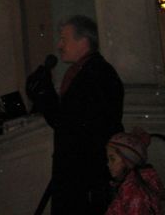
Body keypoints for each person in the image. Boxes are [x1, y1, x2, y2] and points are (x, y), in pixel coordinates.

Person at [26, 15, 124, 214]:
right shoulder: (85, 73)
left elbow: (71, 123)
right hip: (78, 176)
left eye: (64, 39)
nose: (59, 45)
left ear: (84, 41)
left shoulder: (97, 74)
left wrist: (44, 94)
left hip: (86, 177)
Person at [105, 127, 165, 214]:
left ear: (128, 161)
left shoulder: (135, 194)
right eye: (108, 159)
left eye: (112, 159)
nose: (108, 164)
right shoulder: (126, 187)